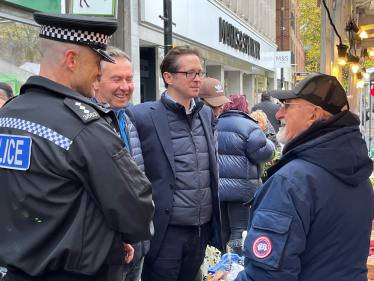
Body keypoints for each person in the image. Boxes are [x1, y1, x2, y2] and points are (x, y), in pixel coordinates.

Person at [0, 12, 154, 281]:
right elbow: (136, 210)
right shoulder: (84, 127)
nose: (98, 71)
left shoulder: (8, 115)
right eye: (97, 62)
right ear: (71, 59)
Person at [235, 73, 374, 281]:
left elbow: (266, 276)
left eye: (288, 105)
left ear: (314, 114)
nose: (280, 113)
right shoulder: (359, 174)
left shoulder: (292, 181)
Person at [125, 45, 223, 281]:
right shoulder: (141, 116)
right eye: (189, 73)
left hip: (201, 229)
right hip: (165, 230)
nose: (197, 79)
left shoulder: (207, 114)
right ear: (168, 77)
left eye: (199, 73)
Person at [93, 46, 148, 281]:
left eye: (129, 79)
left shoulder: (127, 120)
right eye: (116, 79)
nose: (125, 86)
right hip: (106, 252)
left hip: (136, 247)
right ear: (95, 81)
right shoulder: (86, 126)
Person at [217, 94, 275, 252]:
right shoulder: (249, 126)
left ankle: (222, 264)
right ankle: (235, 268)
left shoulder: (214, 123)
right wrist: (268, 141)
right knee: (240, 229)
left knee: (223, 229)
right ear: (245, 107)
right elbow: (263, 154)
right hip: (242, 189)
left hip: (216, 188)